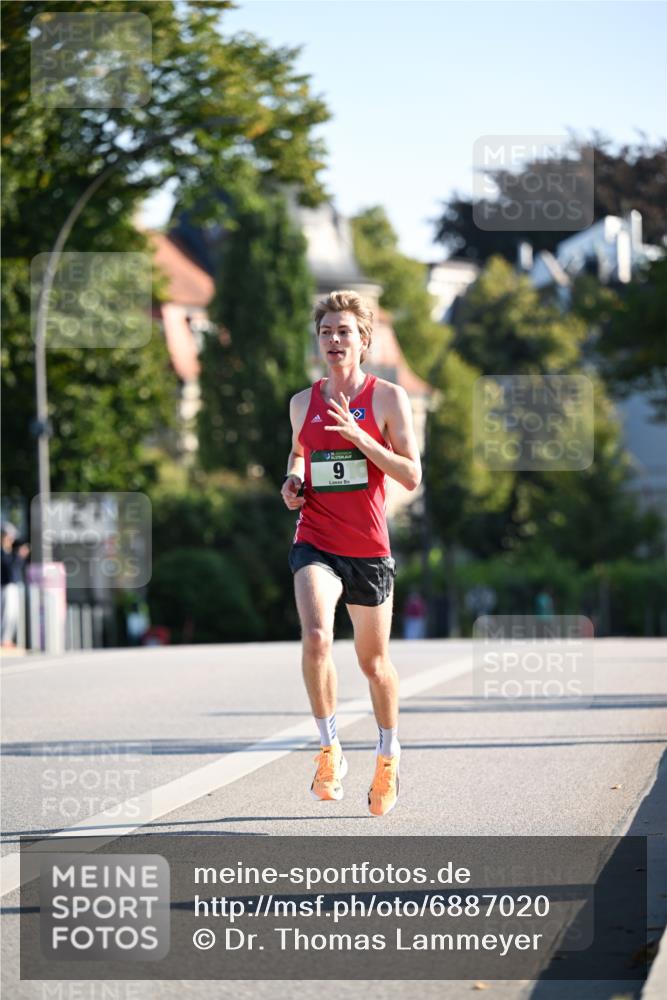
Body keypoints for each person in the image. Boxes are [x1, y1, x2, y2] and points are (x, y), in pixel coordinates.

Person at [281, 290, 421, 816]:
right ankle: (329, 748)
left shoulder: (387, 398)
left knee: (373, 662)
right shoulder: (302, 402)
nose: (334, 340)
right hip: (315, 536)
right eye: (326, 332)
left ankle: (387, 754)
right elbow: (298, 454)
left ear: (365, 340)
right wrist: (292, 481)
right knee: (317, 636)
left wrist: (360, 438)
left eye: (344, 332)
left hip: (368, 547)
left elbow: (411, 474)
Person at [1, 522, 30, 648]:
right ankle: (3, 639)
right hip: (5, 586)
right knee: (6, 614)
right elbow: (9, 568)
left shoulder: (9, 552)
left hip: (13, 586)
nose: (11, 539)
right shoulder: (3, 553)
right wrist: (19, 556)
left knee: (12, 614)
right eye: (9, 536)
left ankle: (6, 639)